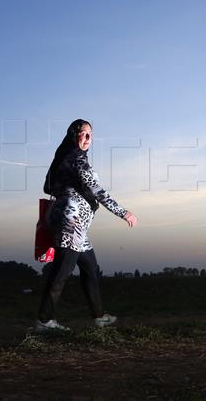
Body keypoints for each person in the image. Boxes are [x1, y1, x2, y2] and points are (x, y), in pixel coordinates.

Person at [36, 119, 138, 332]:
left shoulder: (64, 157)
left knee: (90, 268)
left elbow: (48, 186)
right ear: (74, 134)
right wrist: (123, 212)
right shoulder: (76, 159)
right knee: (62, 271)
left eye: (91, 134)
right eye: (84, 133)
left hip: (72, 221)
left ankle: (99, 317)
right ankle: (44, 321)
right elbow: (97, 190)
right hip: (72, 222)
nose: (88, 139)